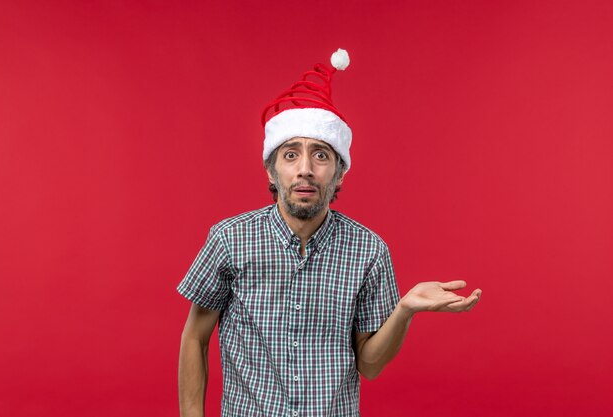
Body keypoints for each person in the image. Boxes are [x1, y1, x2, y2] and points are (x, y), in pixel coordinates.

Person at [177, 49, 482, 417]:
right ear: (271, 171)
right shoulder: (229, 239)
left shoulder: (368, 251)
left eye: (321, 155)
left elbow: (369, 365)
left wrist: (405, 310)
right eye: (290, 155)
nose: (305, 169)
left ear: (339, 172)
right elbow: (195, 337)